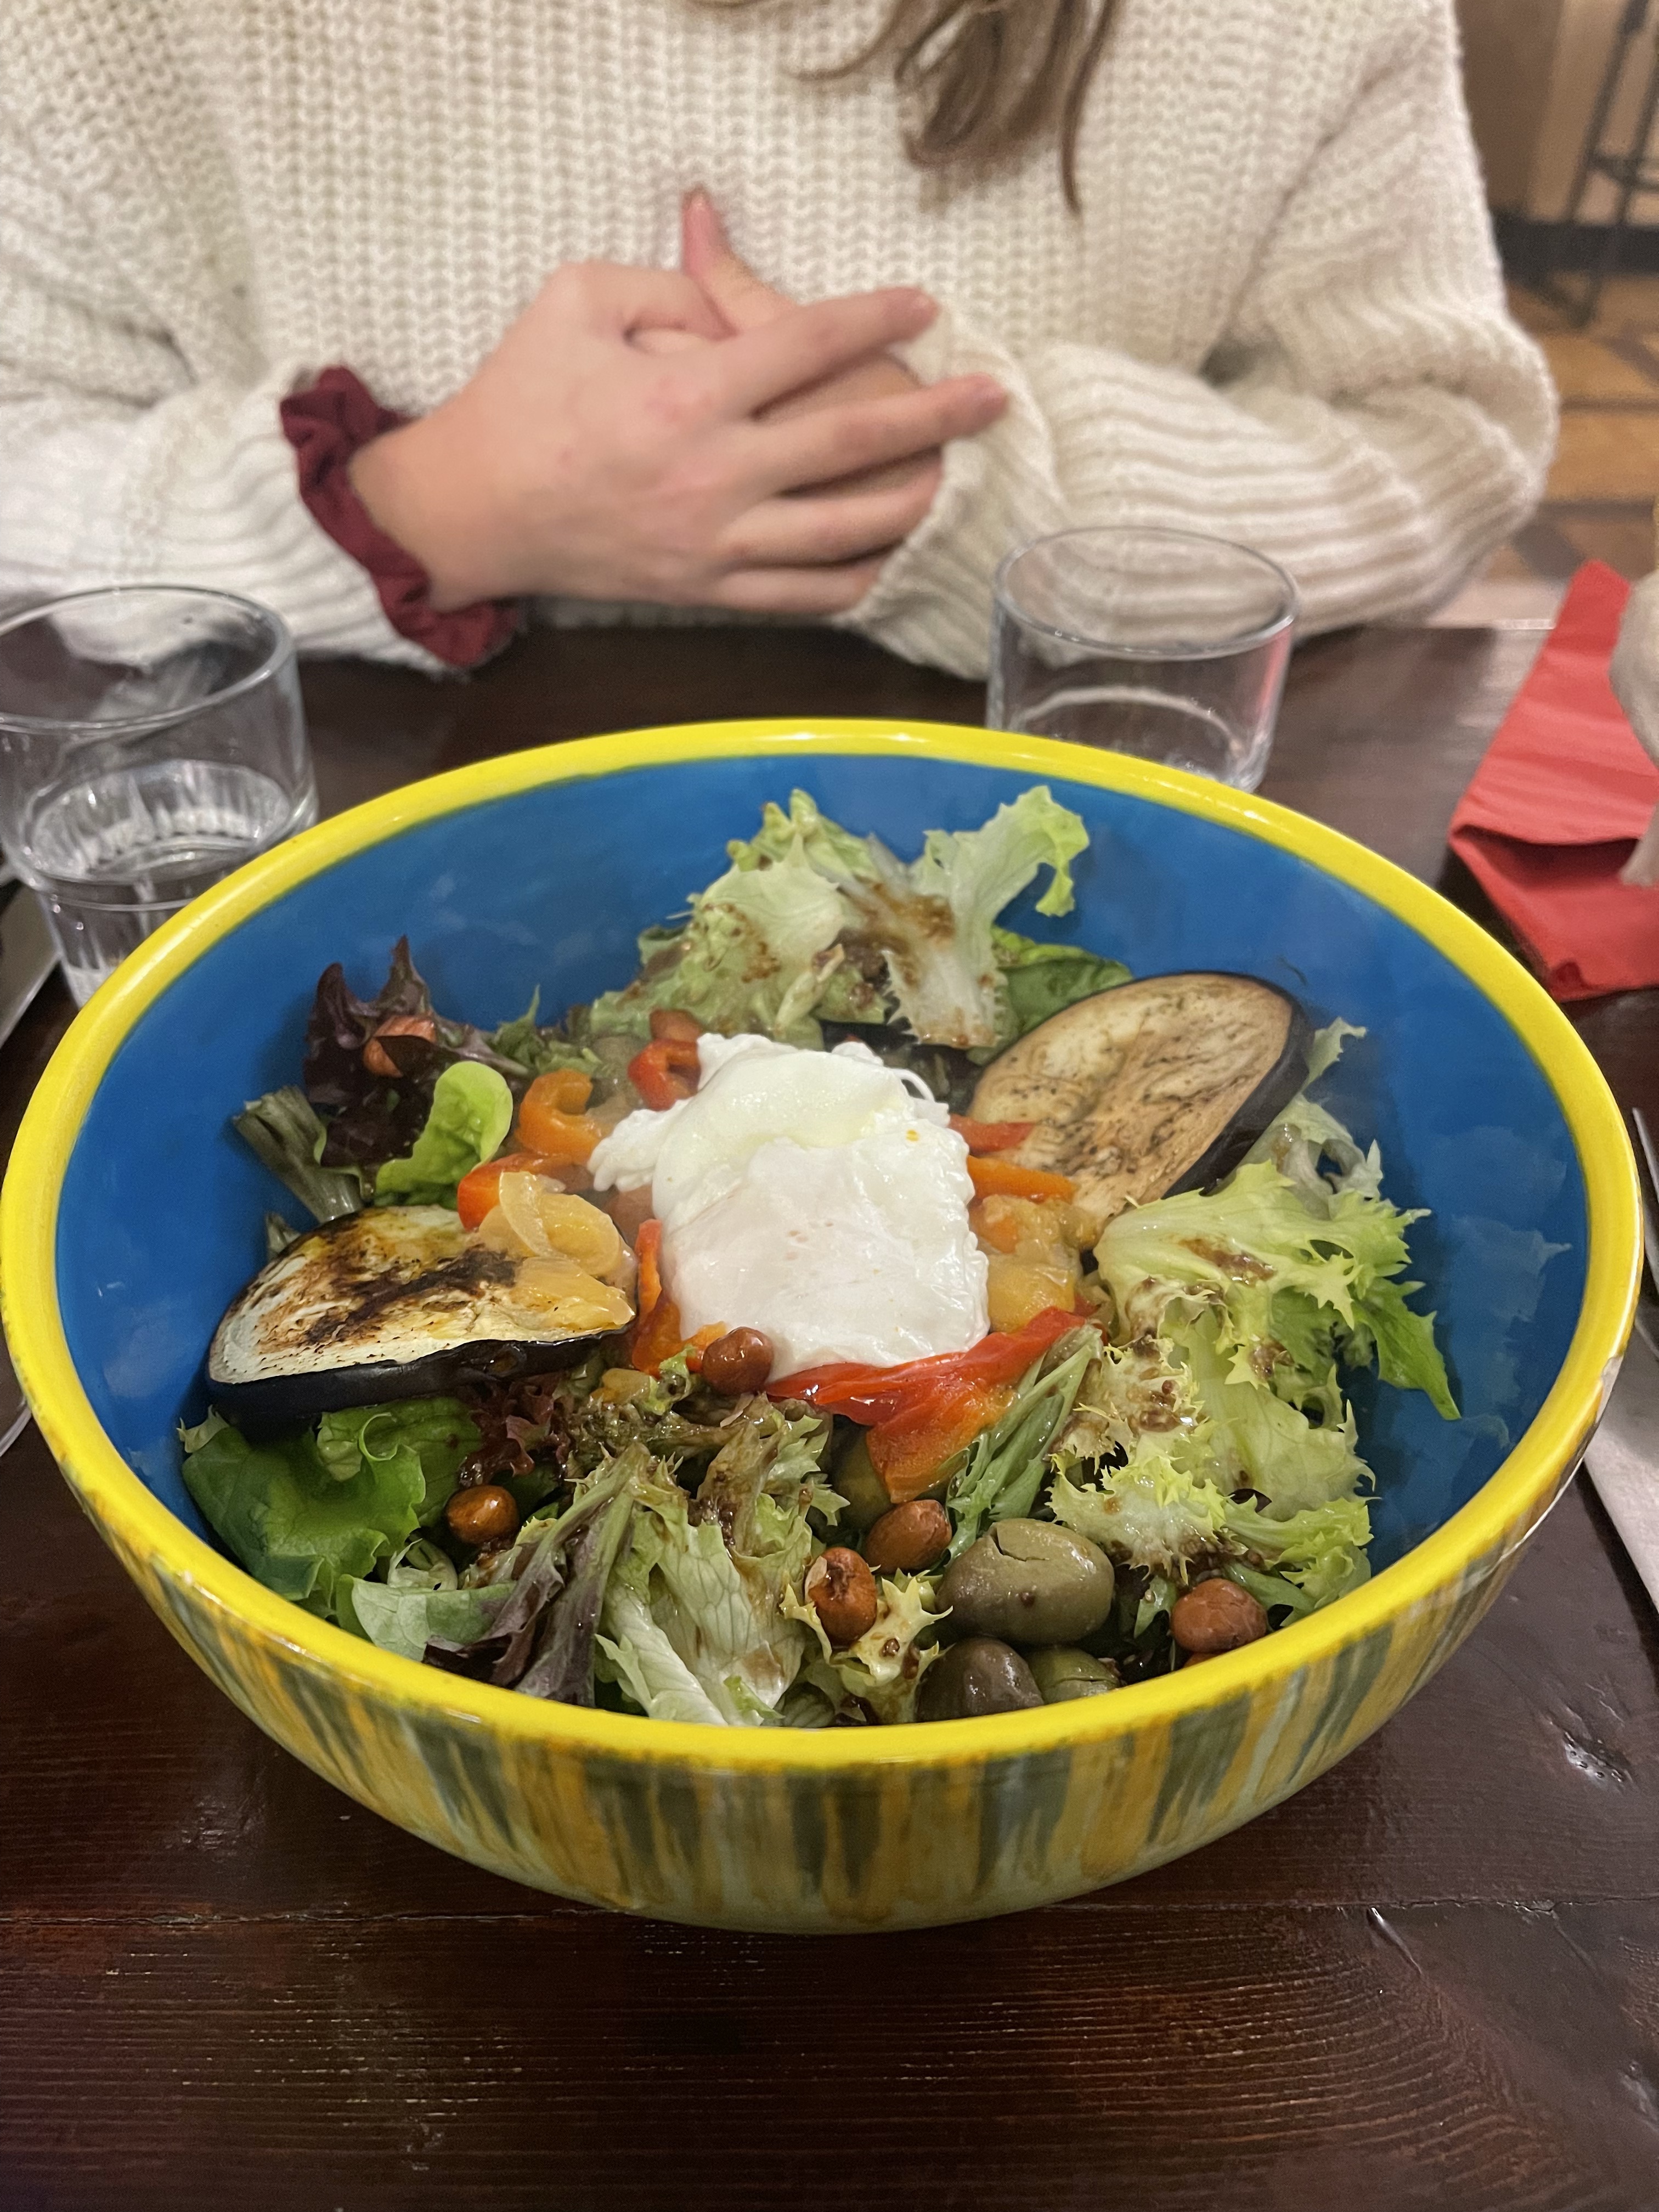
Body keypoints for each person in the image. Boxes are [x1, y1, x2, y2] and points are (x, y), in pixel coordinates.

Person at [0, 0, 1555, 680]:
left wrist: (990, 502)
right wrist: (405, 511)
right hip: (347, 881)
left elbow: (1440, 434)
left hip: (1076, 858)